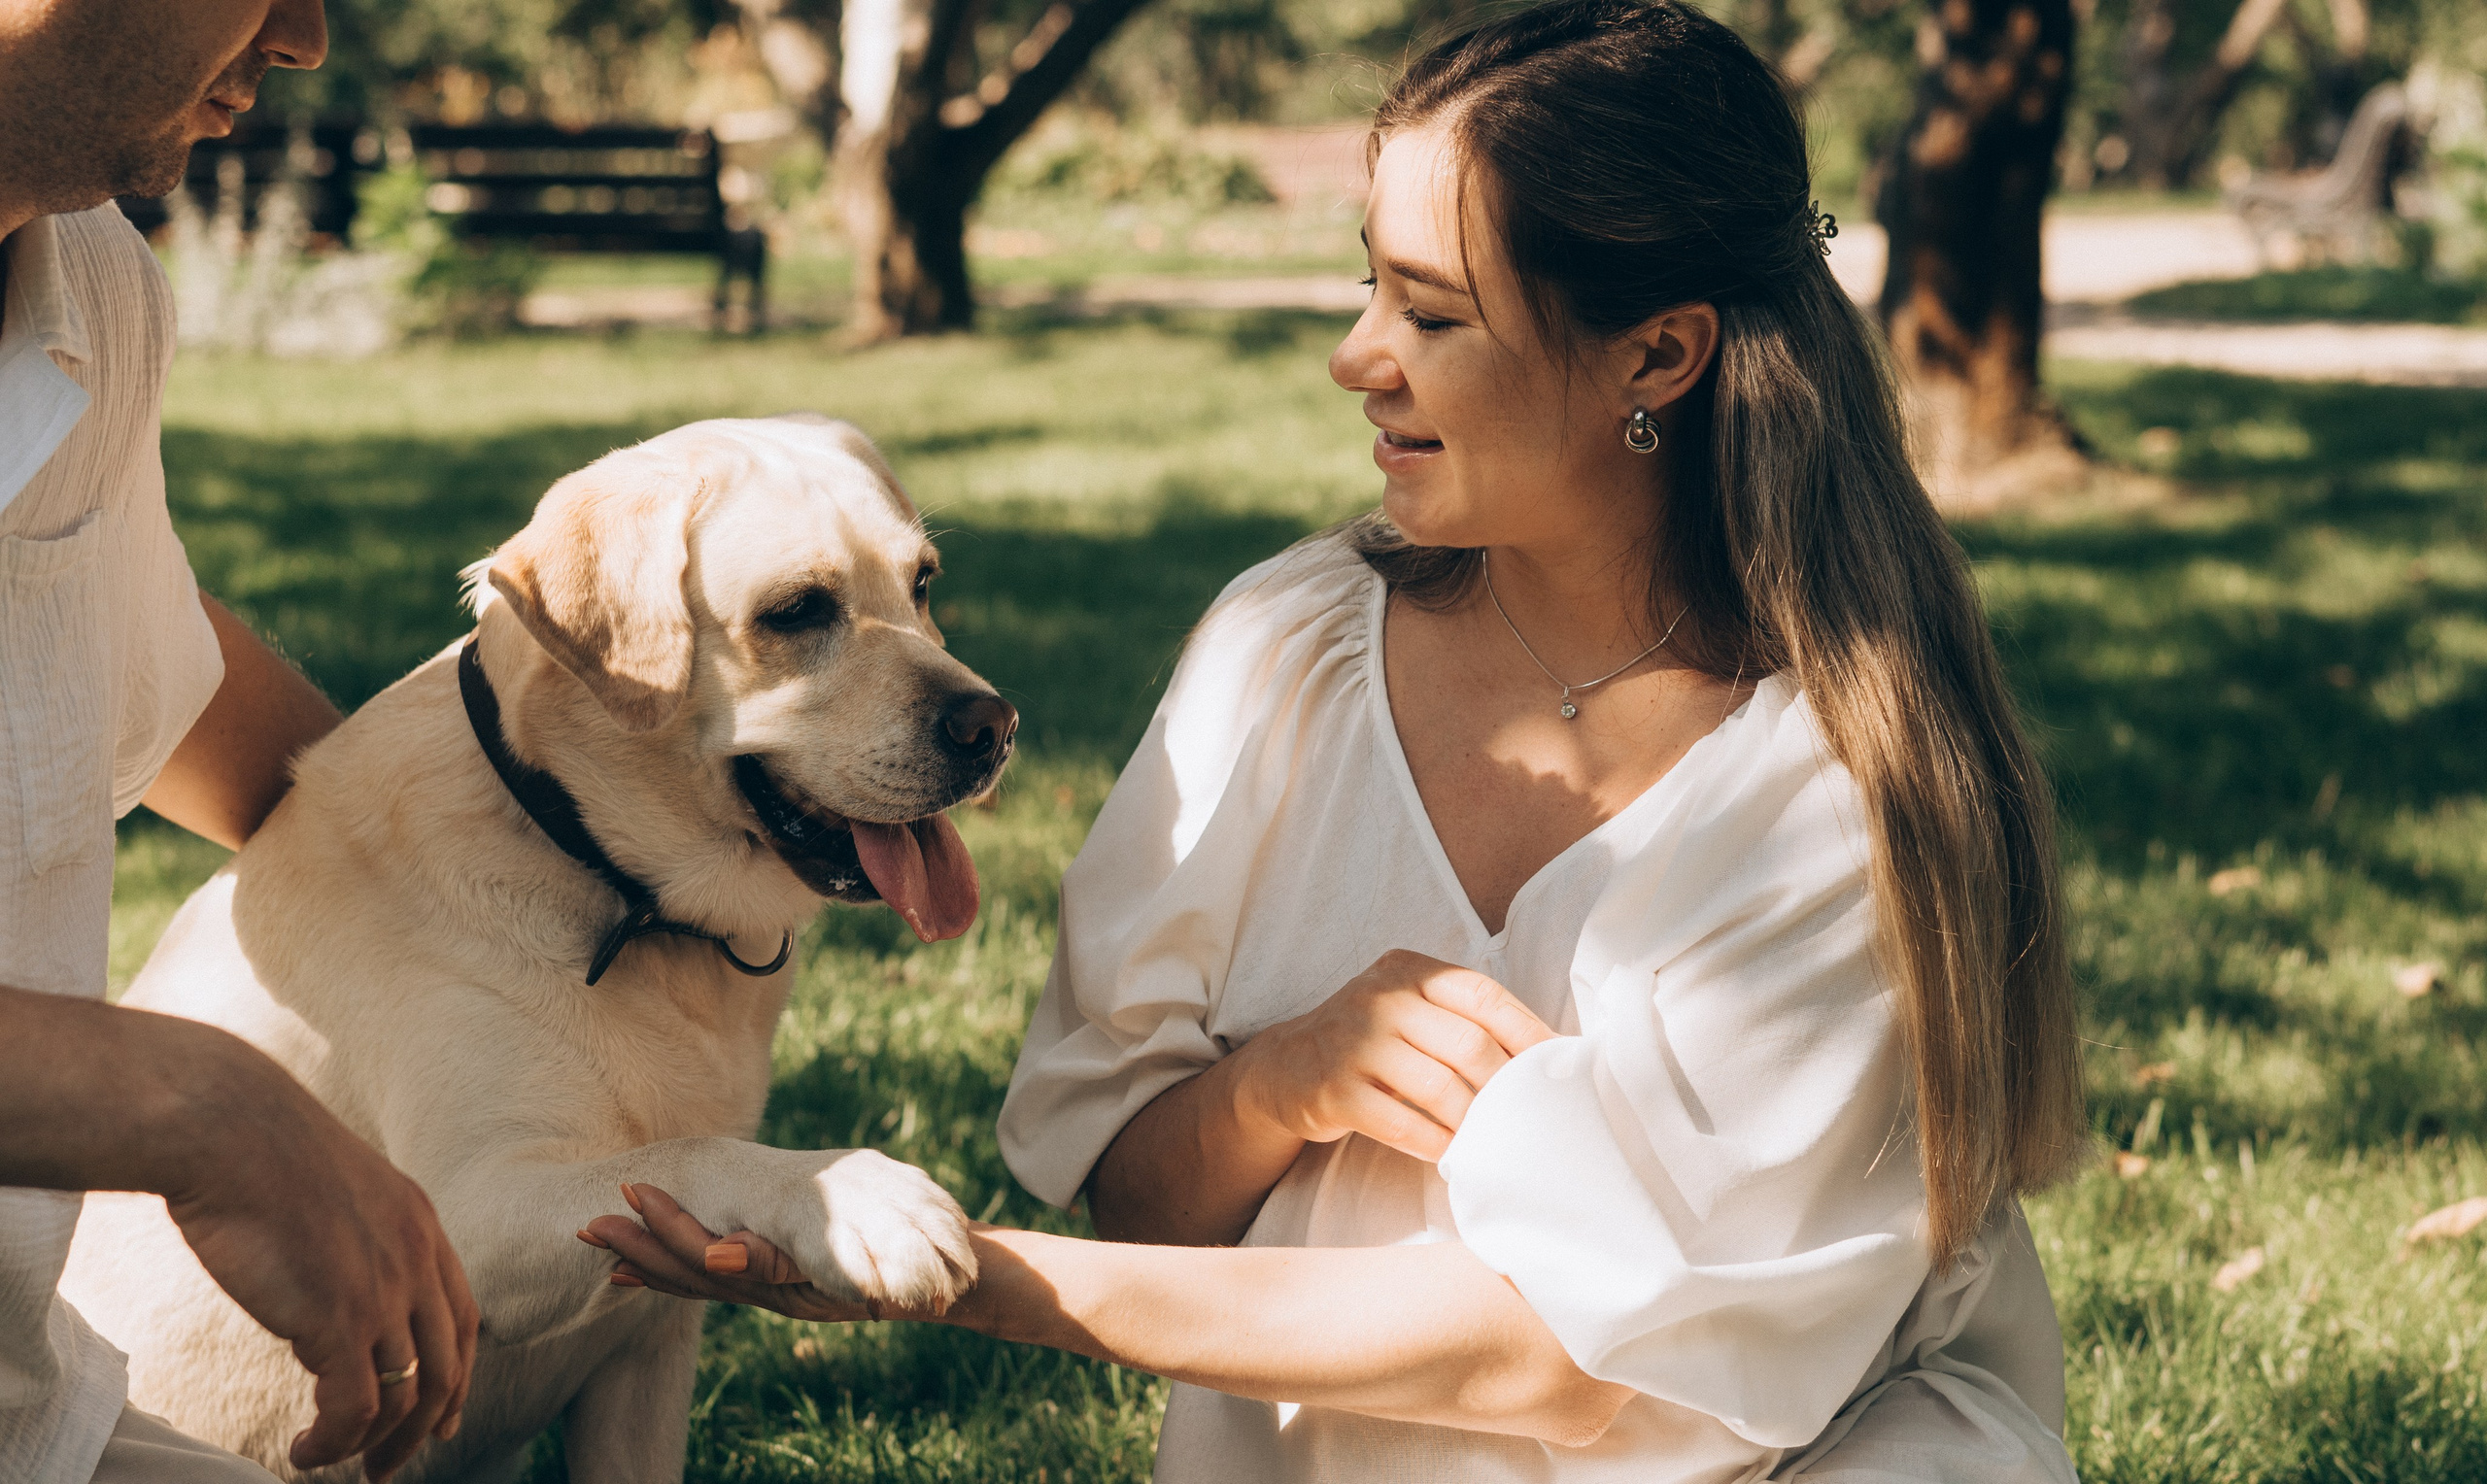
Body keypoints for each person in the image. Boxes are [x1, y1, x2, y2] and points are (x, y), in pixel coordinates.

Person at [586, 3, 2088, 1479]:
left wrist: (976, 1279)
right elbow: (1140, 1200)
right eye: (1369, 286)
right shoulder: (1287, 651)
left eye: (1433, 313)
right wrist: (1285, 1081)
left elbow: (1566, 1366)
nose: (1359, 355)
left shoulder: (1827, 793)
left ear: (1658, 357)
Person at [0, 3, 479, 1480]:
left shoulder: (94, 294)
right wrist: (191, 1105)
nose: (305, 35)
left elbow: (165, 679)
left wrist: (537, 843)